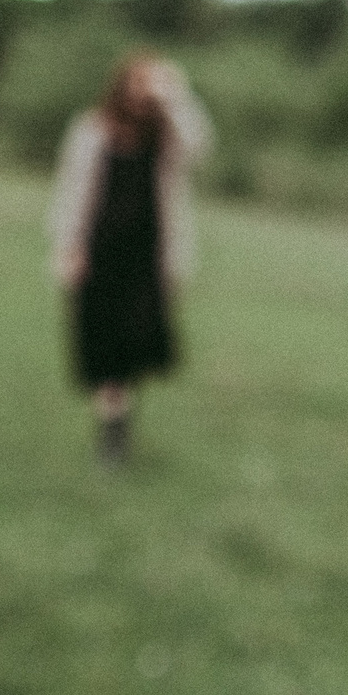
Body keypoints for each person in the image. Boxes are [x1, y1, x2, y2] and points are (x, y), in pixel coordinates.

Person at [48, 53, 211, 466]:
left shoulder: (167, 137)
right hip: (99, 255)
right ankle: (113, 432)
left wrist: (176, 96)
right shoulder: (91, 129)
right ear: (120, 86)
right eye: (136, 85)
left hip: (147, 260)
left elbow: (201, 148)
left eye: (150, 88)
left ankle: (119, 415)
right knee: (104, 346)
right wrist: (69, 248)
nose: (142, 95)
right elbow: (71, 192)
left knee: (137, 343)